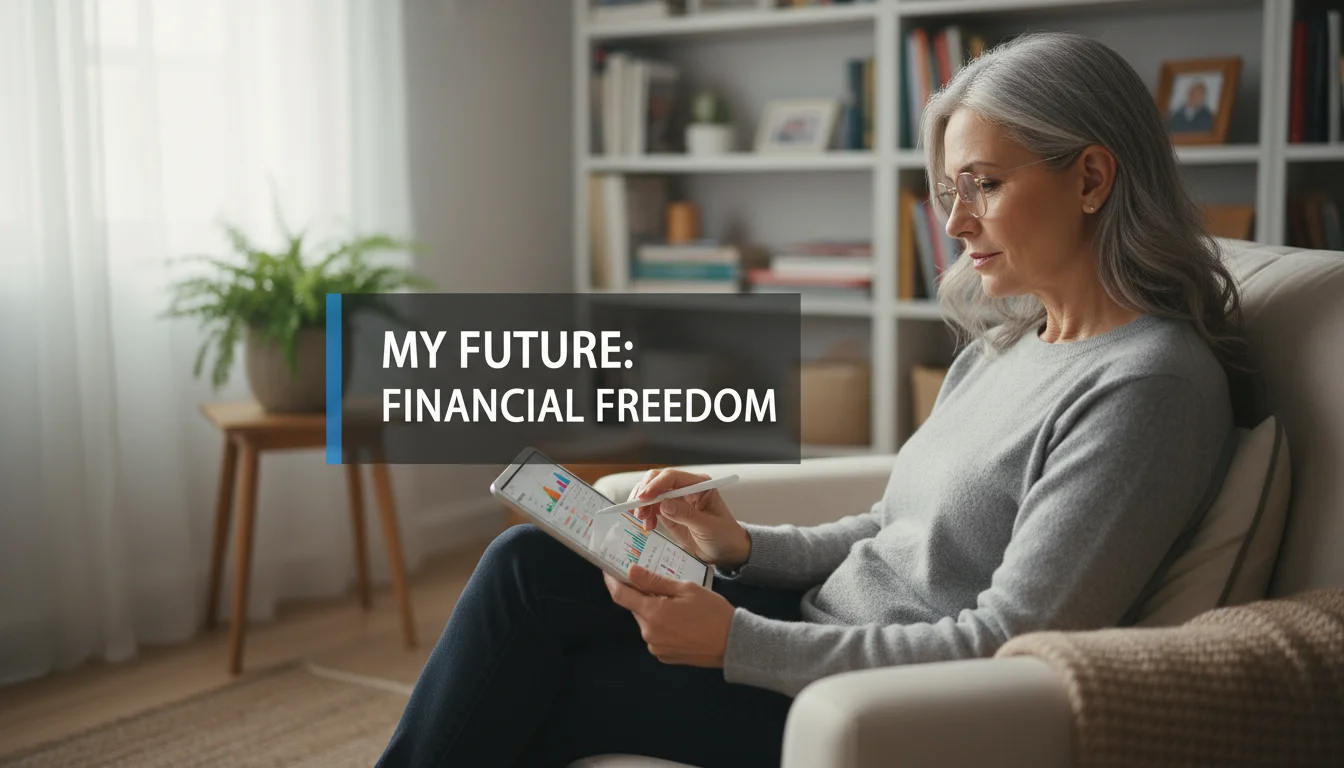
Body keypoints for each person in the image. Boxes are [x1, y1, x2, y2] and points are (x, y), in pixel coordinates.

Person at [375, 31, 1250, 768]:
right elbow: (890, 528)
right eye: (951, 192)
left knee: (541, 686)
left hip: (864, 699)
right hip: (811, 630)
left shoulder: (1149, 386)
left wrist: (738, 644)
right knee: (527, 566)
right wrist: (741, 545)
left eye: (984, 183)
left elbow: (1008, 640)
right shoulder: (1010, 346)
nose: (953, 223)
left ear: (1092, 180)